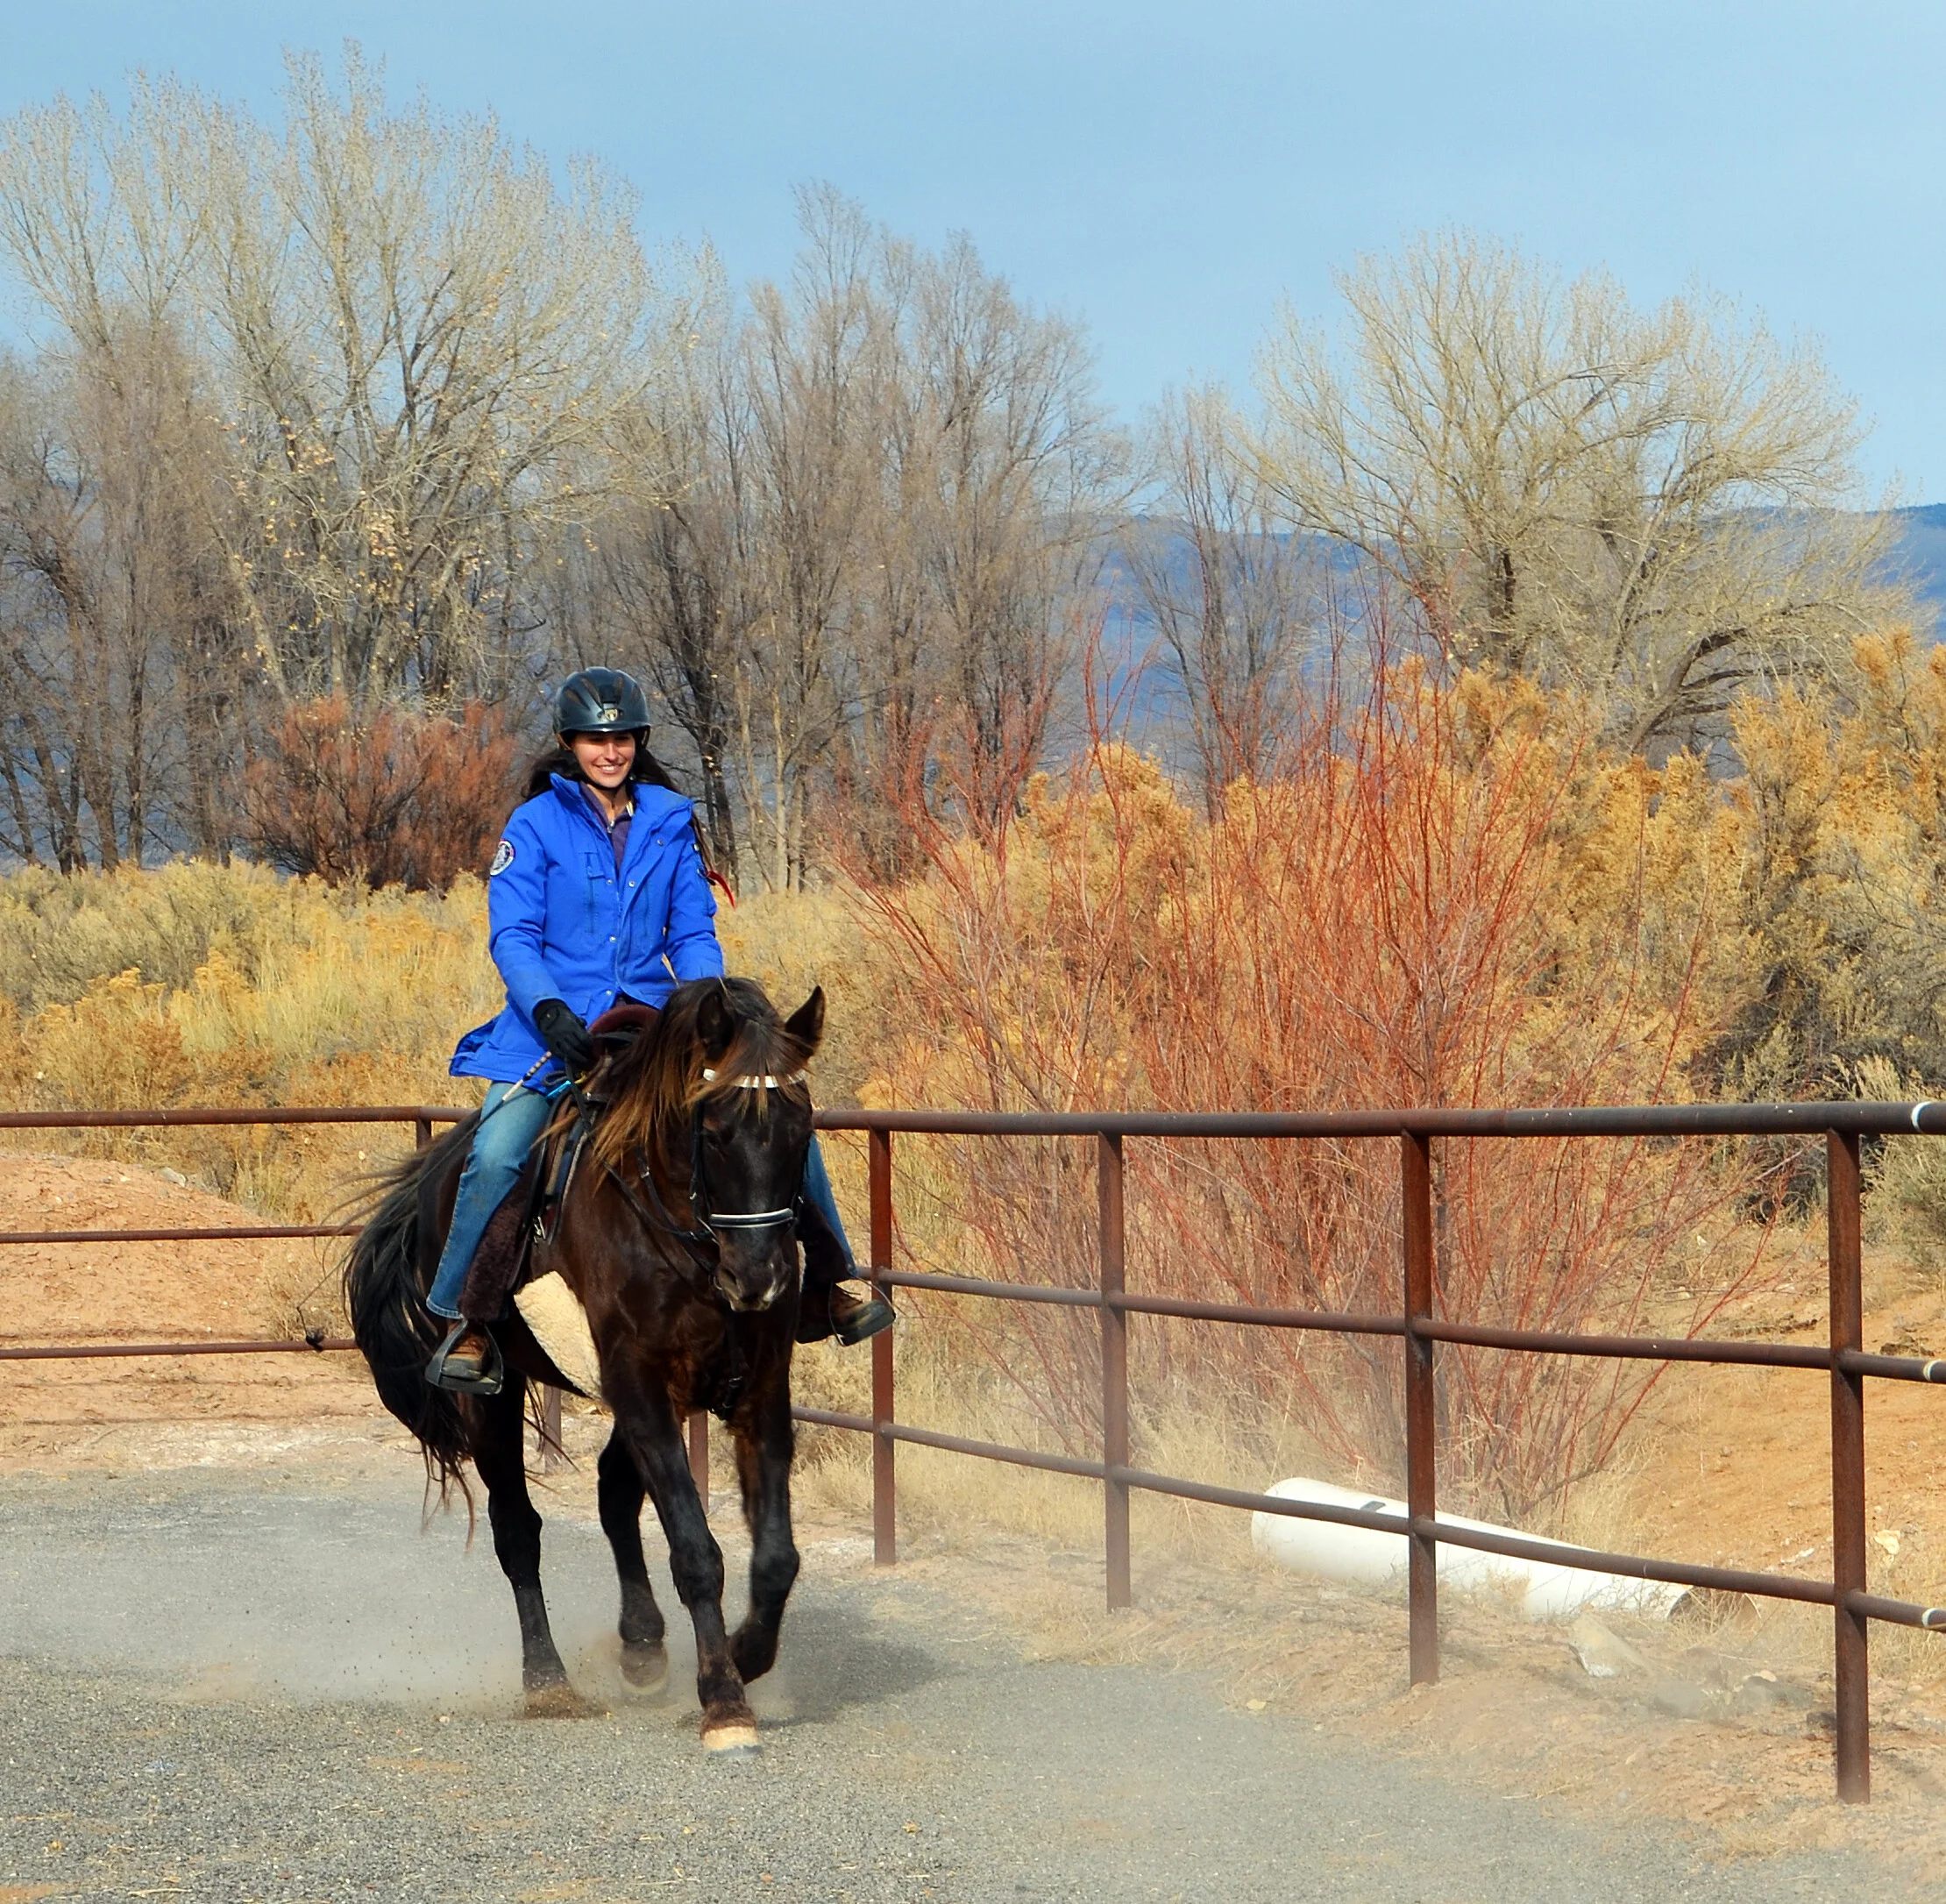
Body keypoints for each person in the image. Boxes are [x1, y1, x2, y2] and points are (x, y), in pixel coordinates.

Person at [426, 666, 891, 1390]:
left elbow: (694, 932)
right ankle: (469, 1321)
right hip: (550, 1034)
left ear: (637, 742)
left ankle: (830, 1285)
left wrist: (710, 1007)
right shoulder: (533, 826)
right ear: (570, 743)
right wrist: (548, 1009)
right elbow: (513, 935)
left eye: (620, 738)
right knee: (498, 1151)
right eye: (593, 738)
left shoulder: (672, 820)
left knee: (769, 1112)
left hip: (657, 1030)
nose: (608, 751)